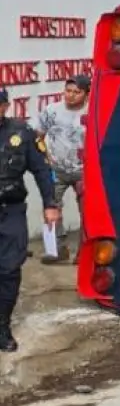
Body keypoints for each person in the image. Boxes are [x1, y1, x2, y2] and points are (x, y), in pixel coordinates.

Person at [0, 87, 61, 352]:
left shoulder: (21, 133)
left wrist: (50, 204)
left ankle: (1, 326)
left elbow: (41, 169)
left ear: (5, 106)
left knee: (9, 269)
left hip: (10, 211)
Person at [35, 74, 89, 264]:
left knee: (88, 212)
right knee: (51, 208)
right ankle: (56, 249)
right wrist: (46, 158)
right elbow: (38, 137)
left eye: (77, 92)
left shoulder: (93, 111)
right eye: (68, 91)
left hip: (85, 171)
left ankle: (84, 253)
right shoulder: (52, 111)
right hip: (56, 169)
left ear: (86, 94)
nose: (71, 95)